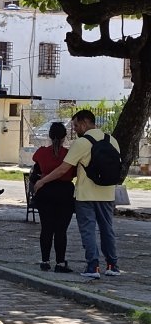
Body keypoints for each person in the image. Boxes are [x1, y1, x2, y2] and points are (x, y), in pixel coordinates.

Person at [34, 110, 120, 278]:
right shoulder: (113, 141)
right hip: (107, 193)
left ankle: (93, 266)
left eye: (75, 125)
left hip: (85, 195)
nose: (75, 129)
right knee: (107, 229)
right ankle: (112, 265)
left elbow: (63, 169)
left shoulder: (82, 143)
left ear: (84, 123)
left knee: (88, 230)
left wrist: (42, 181)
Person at [30, 122, 75, 273]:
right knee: (61, 230)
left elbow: (36, 163)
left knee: (46, 228)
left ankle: (45, 261)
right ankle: (60, 263)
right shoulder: (69, 154)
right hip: (64, 192)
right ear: (65, 137)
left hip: (45, 192)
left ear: (49, 136)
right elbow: (73, 172)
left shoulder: (42, 152)